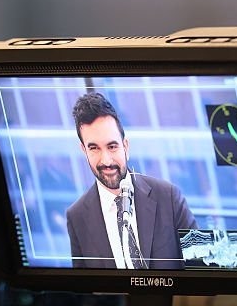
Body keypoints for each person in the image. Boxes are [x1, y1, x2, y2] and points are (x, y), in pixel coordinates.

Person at [66, 92, 197, 269]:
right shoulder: (77, 216)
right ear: (84, 150)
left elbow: (200, 272)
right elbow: (85, 293)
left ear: (125, 146)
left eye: (112, 146)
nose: (106, 160)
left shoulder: (169, 197)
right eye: (94, 148)